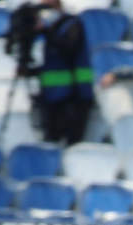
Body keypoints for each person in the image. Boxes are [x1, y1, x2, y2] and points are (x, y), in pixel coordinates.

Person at [22, 0, 94, 145]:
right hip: (51, 97)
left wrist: (47, 31)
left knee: (73, 145)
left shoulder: (72, 24)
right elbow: (52, 65)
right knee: (50, 143)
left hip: (75, 96)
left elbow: (67, 49)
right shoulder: (49, 31)